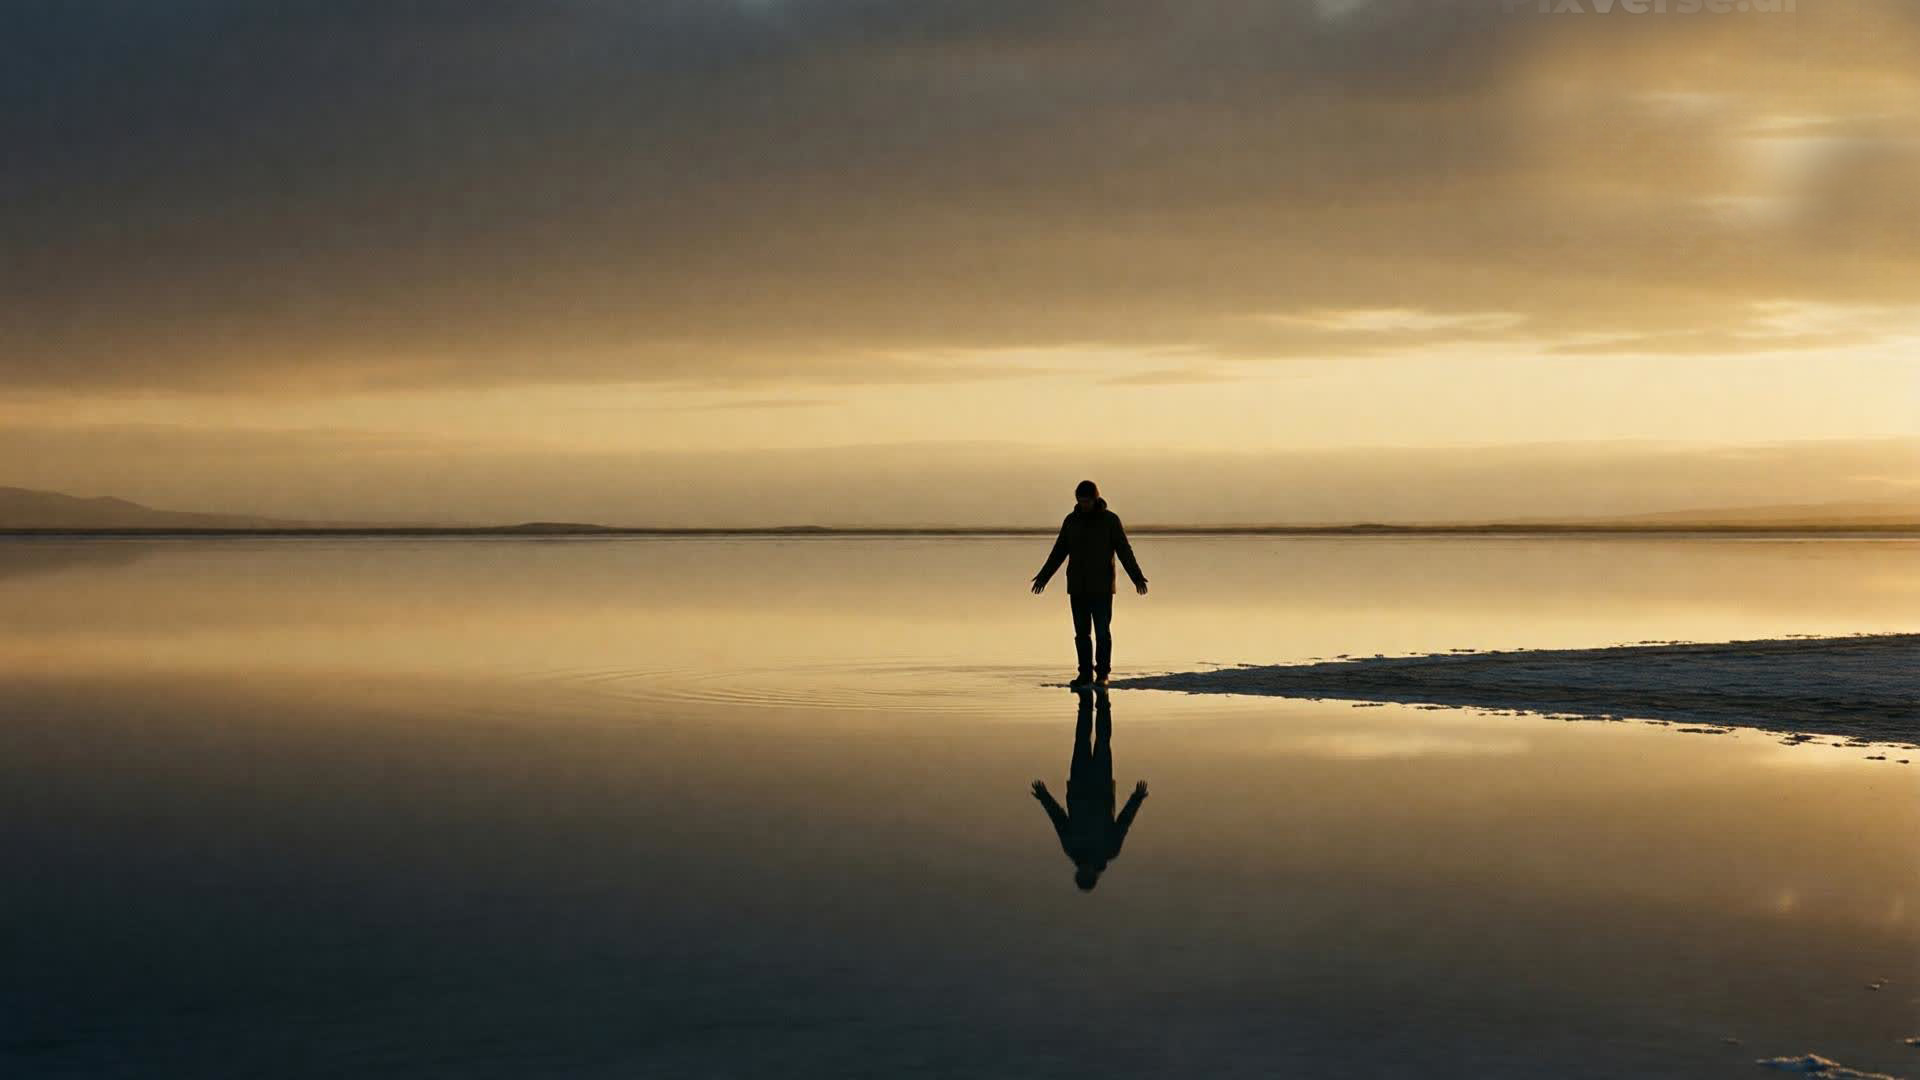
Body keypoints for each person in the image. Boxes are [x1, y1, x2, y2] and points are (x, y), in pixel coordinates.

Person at [1030, 479, 1148, 689]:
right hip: (1077, 587)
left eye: (1087, 501)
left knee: (1102, 631)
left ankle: (1102, 673)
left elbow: (1124, 551)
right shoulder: (1071, 521)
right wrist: (1043, 577)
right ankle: (1085, 673)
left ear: (1095, 499)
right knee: (1082, 633)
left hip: (1102, 588)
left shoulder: (1110, 521)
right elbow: (1059, 552)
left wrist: (1137, 577)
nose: (1084, 505)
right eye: (1080, 501)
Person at [1031, 687, 1148, 892]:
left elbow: (1058, 818)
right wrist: (1136, 798)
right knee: (1103, 742)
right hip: (1101, 787)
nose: (1083, 871)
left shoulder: (1071, 848)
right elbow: (1123, 823)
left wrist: (1044, 797)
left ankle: (1085, 703)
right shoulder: (1109, 850)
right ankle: (1103, 701)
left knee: (1081, 741)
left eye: (1080, 875)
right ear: (1094, 875)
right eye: (1086, 875)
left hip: (1078, 785)